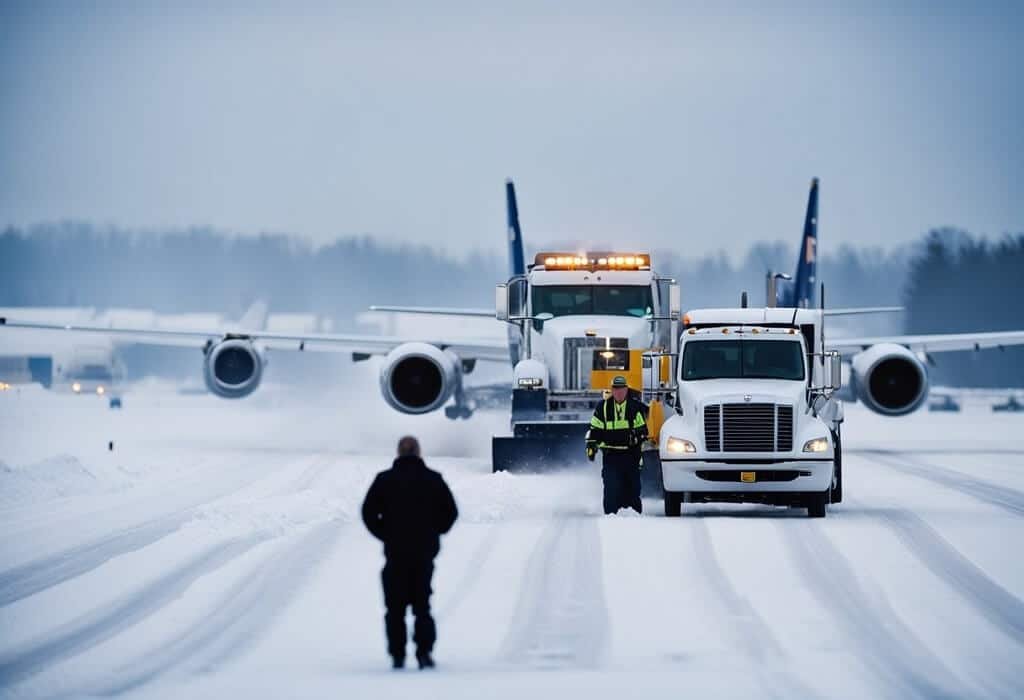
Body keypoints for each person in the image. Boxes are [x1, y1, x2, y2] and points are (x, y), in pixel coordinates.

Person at [361, 436, 458, 670]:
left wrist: (385, 534)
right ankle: (424, 652)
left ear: (398, 452)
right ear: (419, 452)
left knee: (394, 608)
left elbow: (368, 513)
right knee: (422, 606)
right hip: (424, 553)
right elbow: (450, 512)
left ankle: (397, 654)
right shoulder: (433, 480)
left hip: (395, 553)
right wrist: (435, 532)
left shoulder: (384, 480)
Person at [586, 375, 648, 514]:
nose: (619, 392)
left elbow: (643, 431)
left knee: (633, 489)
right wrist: (591, 447)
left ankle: (635, 518)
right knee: (611, 487)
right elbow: (595, 430)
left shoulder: (634, 408)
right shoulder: (603, 408)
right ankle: (610, 518)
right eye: (616, 389)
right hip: (611, 456)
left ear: (626, 390)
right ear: (612, 390)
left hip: (630, 456)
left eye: (622, 389)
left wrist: (636, 438)